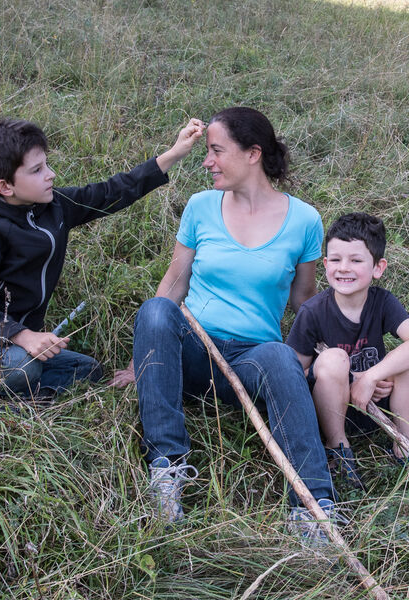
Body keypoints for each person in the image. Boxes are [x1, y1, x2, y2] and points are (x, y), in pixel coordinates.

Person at [110, 107, 338, 539]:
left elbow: (304, 301)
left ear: (253, 154)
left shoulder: (305, 220)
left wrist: (328, 354)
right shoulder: (200, 207)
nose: (207, 161)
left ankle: (314, 508)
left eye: (216, 151)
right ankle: (167, 469)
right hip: (194, 352)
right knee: (155, 310)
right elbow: (174, 282)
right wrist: (148, 358)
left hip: (252, 364)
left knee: (279, 354)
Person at [0, 116, 204, 398]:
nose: (51, 174)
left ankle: (16, 393)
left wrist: (173, 154)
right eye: (37, 170)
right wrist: (22, 336)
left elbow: (110, 193)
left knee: (87, 371)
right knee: (23, 367)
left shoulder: (53, 206)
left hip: (9, 335)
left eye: (46, 164)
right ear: (5, 187)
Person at [285, 212, 409, 490]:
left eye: (356, 260)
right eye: (336, 260)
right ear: (325, 264)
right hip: (329, 409)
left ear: (378, 267)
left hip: (373, 405)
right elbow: (294, 371)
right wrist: (351, 379)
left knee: (407, 361)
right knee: (334, 358)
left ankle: (404, 444)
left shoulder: (383, 302)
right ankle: (338, 447)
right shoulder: (313, 311)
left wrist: (372, 377)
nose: (344, 268)